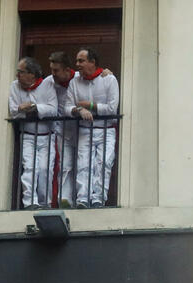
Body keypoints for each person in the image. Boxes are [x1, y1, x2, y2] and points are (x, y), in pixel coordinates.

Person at [64, 48, 119, 208]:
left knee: (104, 163)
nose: (77, 64)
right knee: (83, 165)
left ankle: (98, 199)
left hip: (106, 130)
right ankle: (82, 199)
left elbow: (112, 109)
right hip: (85, 130)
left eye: (81, 61)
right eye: (77, 61)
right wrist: (79, 110)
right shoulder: (74, 81)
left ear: (92, 62)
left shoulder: (109, 80)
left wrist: (91, 105)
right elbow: (67, 107)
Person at [9, 57, 57, 209]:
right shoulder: (15, 86)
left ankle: (44, 203)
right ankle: (30, 202)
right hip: (28, 135)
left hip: (47, 136)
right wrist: (25, 111)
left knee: (45, 170)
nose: (18, 75)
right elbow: (13, 111)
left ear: (32, 74)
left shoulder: (47, 85)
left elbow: (53, 109)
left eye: (21, 72)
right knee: (29, 167)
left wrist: (35, 107)